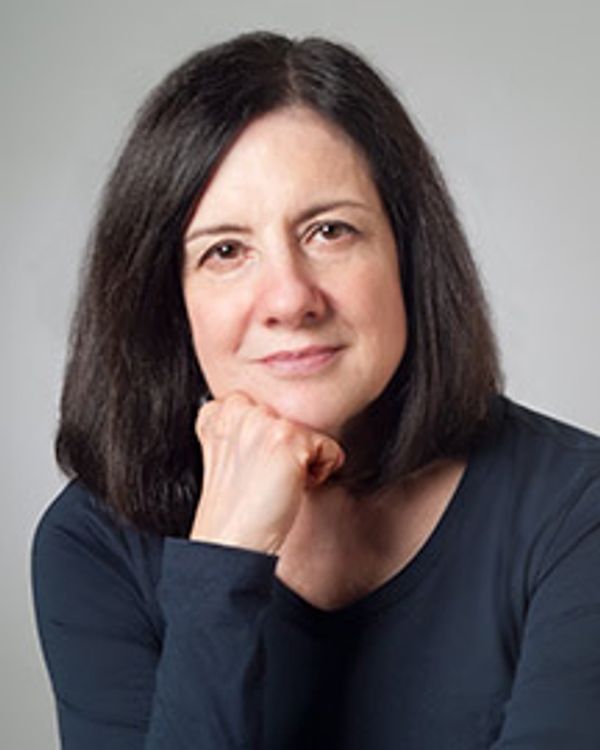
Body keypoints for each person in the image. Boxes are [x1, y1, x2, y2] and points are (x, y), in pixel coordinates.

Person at [31, 31, 600, 750]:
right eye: (226, 251)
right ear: (168, 301)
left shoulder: (578, 511)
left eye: (330, 231)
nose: (290, 298)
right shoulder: (94, 546)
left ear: (408, 257)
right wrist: (223, 561)